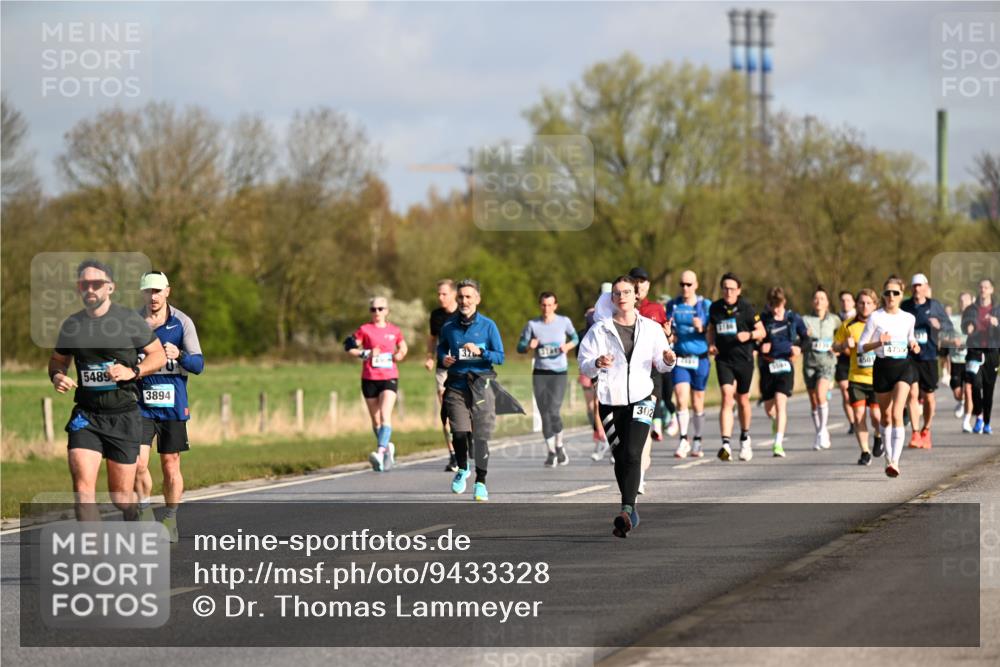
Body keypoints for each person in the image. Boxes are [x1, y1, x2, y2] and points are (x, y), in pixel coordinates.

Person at [48, 259, 166, 521]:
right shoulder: (72, 325)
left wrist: (132, 372)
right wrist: (57, 375)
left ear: (110, 287)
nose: (90, 289)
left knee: (121, 498)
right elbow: (58, 360)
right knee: (83, 490)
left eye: (97, 284)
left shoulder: (129, 321)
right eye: (84, 284)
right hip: (86, 416)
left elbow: (157, 355)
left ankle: (135, 515)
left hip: (123, 416)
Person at [578, 275, 676, 538]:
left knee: (633, 453)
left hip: (643, 397)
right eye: (617, 293)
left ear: (636, 297)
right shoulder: (600, 330)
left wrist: (669, 359)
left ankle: (626, 509)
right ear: (612, 298)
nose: (622, 297)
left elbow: (663, 364)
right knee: (620, 457)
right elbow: (584, 362)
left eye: (627, 292)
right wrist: (597, 363)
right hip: (611, 401)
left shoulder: (651, 328)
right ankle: (630, 510)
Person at [134, 271, 205, 542]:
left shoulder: (182, 322)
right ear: (143, 293)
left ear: (167, 291)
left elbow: (199, 366)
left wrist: (181, 355)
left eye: (157, 291)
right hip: (139, 402)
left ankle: (171, 519)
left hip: (172, 402)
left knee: (170, 463)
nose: (153, 297)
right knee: (137, 463)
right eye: (148, 292)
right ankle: (144, 512)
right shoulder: (132, 322)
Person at [438, 279, 506, 501]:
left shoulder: (488, 326)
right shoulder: (449, 327)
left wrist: (481, 353)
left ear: (477, 299)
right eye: (460, 297)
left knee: (480, 437)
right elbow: (441, 349)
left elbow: (500, 356)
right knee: (458, 432)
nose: (464, 301)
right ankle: (462, 467)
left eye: (468, 296)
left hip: (481, 387)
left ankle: (480, 482)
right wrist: (443, 358)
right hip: (456, 386)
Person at [859, 276, 919, 477]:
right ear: (883, 295)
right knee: (885, 416)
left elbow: (910, 337)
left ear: (902, 295)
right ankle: (887, 458)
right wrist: (879, 343)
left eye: (895, 292)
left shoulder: (908, 318)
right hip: (882, 367)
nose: (891, 296)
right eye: (887, 293)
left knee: (896, 414)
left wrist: (914, 344)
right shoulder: (876, 317)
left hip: (903, 367)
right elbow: (861, 346)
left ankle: (895, 461)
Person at [707, 272, 766, 462]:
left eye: (732, 288)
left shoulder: (747, 308)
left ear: (738, 290)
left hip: (744, 359)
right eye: (725, 288)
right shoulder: (715, 308)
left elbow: (761, 331)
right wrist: (711, 344)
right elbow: (710, 329)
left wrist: (748, 336)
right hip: (724, 359)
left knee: (742, 399)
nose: (728, 291)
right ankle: (725, 444)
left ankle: (744, 437)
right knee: (726, 396)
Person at [518, 292, 579, 466]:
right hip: (540, 373)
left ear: (555, 306)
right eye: (543, 305)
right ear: (540, 306)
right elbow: (519, 346)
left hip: (559, 372)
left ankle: (560, 445)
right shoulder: (532, 325)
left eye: (550, 305)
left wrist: (567, 346)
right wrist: (528, 346)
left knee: (553, 410)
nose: (546, 308)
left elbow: (575, 337)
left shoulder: (564, 322)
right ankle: (551, 452)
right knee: (544, 413)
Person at [349, 296, 407, 472]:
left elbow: (403, 347)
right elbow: (349, 347)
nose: (377, 312)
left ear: (387, 311)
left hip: (389, 376)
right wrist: (366, 353)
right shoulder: (364, 329)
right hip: (369, 377)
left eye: (380, 309)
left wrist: (400, 355)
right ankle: (387, 447)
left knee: (384, 414)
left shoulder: (394, 330)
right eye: (373, 309)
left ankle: (380, 452)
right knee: (375, 420)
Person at [901, 273, 953, 448]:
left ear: (925, 287)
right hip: (910, 357)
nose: (917, 289)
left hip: (929, 356)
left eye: (919, 285)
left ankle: (926, 429)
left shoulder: (934, 305)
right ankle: (915, 433)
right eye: (914, 286)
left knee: (929, 397)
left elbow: (949, 326)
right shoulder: (905, 306)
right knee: (912, 394)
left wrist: (939, 325)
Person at [665, 270, 711, 459]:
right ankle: (684, 439)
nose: (685, 288)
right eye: (682, 284)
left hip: (700, 357)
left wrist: (703, 327)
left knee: (697, 401)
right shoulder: (673, 305)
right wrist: (669, 335)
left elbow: (712, 330)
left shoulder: (705, 305)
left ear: (696, 285)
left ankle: (697, 440)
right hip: (681, 358)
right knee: (681, 398)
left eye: (689, 284)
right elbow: (669, 331)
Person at [833, 288, 882, 465]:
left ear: (875, 305)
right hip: (857, 378)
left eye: (869, 303)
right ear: (856, 304)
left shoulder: (881, 323)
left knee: (876, 416)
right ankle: (865, 452)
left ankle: (878, 436)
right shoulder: (848, 325)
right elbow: (835, 346)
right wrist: (844, 345)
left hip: (877, 377)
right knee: (859, 415)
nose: (865, 306)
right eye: (861, 302)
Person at [758, 287, 807, 457]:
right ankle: (774, 421)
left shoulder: (793, 318)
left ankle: (778, 443)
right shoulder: (764, 319)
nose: (776, 309)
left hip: (786, 365)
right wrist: (761, 346)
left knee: (781, 402)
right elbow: (755, 339)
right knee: (769, 409)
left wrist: (799, 348)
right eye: (772, 305)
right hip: (768, 366)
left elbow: (806, 338)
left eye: (778, 305)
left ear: (784, 302)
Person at [801, 287, 842, 450]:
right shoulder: (804, 320)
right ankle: (820, 431)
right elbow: (798, 341)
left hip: (827, 363)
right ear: (812, 301)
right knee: (813, 401)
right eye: (816, 298)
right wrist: (805, 336)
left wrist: (838, 347)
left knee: (820, 394)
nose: (819, 301)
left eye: (822, 298)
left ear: (827, 302)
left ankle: (822, 432)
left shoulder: (834, 320)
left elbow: (843, 334)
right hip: (810, 363)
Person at [425, 279, 460, 471]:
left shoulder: (463, 313)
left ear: (454, 294)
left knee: (464, 411)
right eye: (438, 294)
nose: (440, 297)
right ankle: (453, 455)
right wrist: (430, 356)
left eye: (444, 294)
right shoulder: (436, 316)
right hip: (443, 369)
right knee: (446, 413)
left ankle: (465, 440)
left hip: (463, 368)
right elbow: (432, 338)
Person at [962, 278, 1000, 434]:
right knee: (976, 386)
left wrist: (997, 324)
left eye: (986, 287)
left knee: (989, 389)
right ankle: (978, 416)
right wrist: (968, 327)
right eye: (981, 287)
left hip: (992, 353)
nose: (983, 290)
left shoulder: (998, 309)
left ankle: (987, 423)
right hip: (975, 353)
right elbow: (965, 324)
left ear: (991, 290)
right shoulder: (971, 309)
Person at [947, 292, 973, 423]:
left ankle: (966, 421)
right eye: (961, 301)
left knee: (969, 389)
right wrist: (952, 342)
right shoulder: (953, 320)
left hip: (971, 360)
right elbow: (943, 338)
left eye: (966, 301)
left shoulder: (976, 320)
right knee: (958, 393)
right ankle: (961, 402)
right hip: (956, 360)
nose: (964, 304)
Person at [836, 290, 858, 434]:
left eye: (848, 300)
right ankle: (852, 422)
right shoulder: (836, 320)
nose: (845, 303)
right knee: (845, 391)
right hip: (842, 361)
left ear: (853, 303)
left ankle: (860, 417)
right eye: (843, 300)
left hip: (859, 359)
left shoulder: (860, 318)